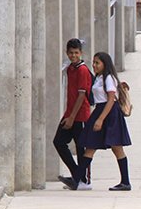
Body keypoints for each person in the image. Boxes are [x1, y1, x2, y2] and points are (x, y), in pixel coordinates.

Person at [59, 52, 132, 191]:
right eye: (93, 62)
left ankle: (125, 182)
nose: (94, 65)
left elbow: (111, 99)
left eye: (97, 63)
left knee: (117, 147)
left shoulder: (109, 78)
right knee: (90, 145)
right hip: (100, 110)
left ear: (105, 64)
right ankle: (77, 179)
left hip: (109, 114)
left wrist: (100, 119)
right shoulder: (99, 78)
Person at [54, 38, 92, 189]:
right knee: (59, 142)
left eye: (76, 53)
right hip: (69, 113)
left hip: (80, 115)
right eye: (71, 53)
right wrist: (68, 115)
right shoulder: (70, 68)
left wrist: (71, 117)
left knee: (82, 148)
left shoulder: (82, 70)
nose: (74, 56)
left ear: (81, 53)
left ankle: (84, 181)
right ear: (67, 53)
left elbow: (81, 95)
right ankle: (77, 176)